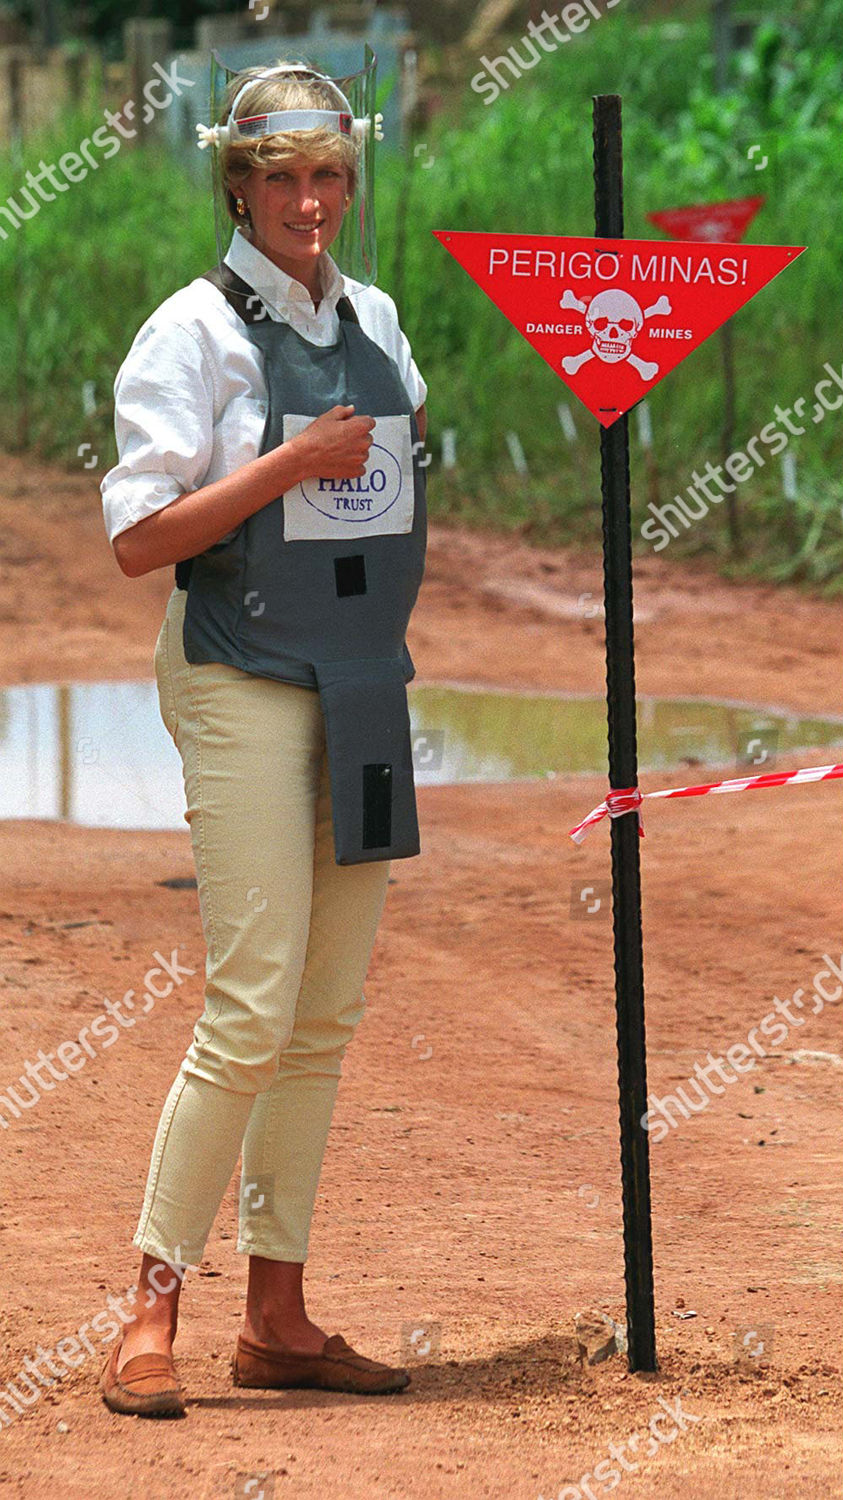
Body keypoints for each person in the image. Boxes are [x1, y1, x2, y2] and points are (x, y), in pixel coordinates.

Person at [97, 55, 428, 1418]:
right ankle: (150, 1308)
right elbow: (135, 539)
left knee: (326, 1011)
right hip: (238, 670)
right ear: (235, 182)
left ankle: (277, 1317)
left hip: (360, 682)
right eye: (281, 176)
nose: (308, 199)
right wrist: (286, 466)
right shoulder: (191, 333)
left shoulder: (382, 320)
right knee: (252, 999)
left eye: (327, 175)